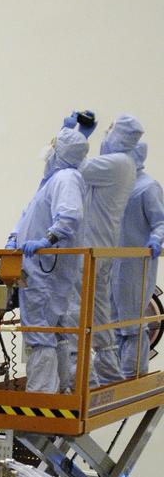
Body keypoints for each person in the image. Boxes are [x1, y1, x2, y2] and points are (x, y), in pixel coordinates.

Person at [60, 114, 143, 389]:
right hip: (101, 247)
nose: (105, 135)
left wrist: (74, 134)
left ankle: (77, 379)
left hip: (91, 251)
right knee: (98, 314)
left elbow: (74, 163)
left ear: (120, 136)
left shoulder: (117, 163)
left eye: (109, 130)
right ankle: (104, 377)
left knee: (75, 310)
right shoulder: (124, 164)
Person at [6, 127, 89, 394]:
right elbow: (29, 214)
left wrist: (48, 240)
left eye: (54, 144)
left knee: (40, 333)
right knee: (51, 332)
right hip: (38, 267)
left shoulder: (66, 178)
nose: (48, 149)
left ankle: (41, 397)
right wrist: (14, 236)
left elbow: (69, 216)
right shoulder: (54, 180)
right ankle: (58, 390)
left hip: (45, 270)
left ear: (61, 151)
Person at [113, 140, 164, 378]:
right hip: (111, 265)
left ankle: (131, 377)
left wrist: (156, 239)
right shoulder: (118, 188)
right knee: (111, 325)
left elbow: (160, 222)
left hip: (135, 267)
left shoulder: (148, 187)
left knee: (132, 325)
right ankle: (112, 379)